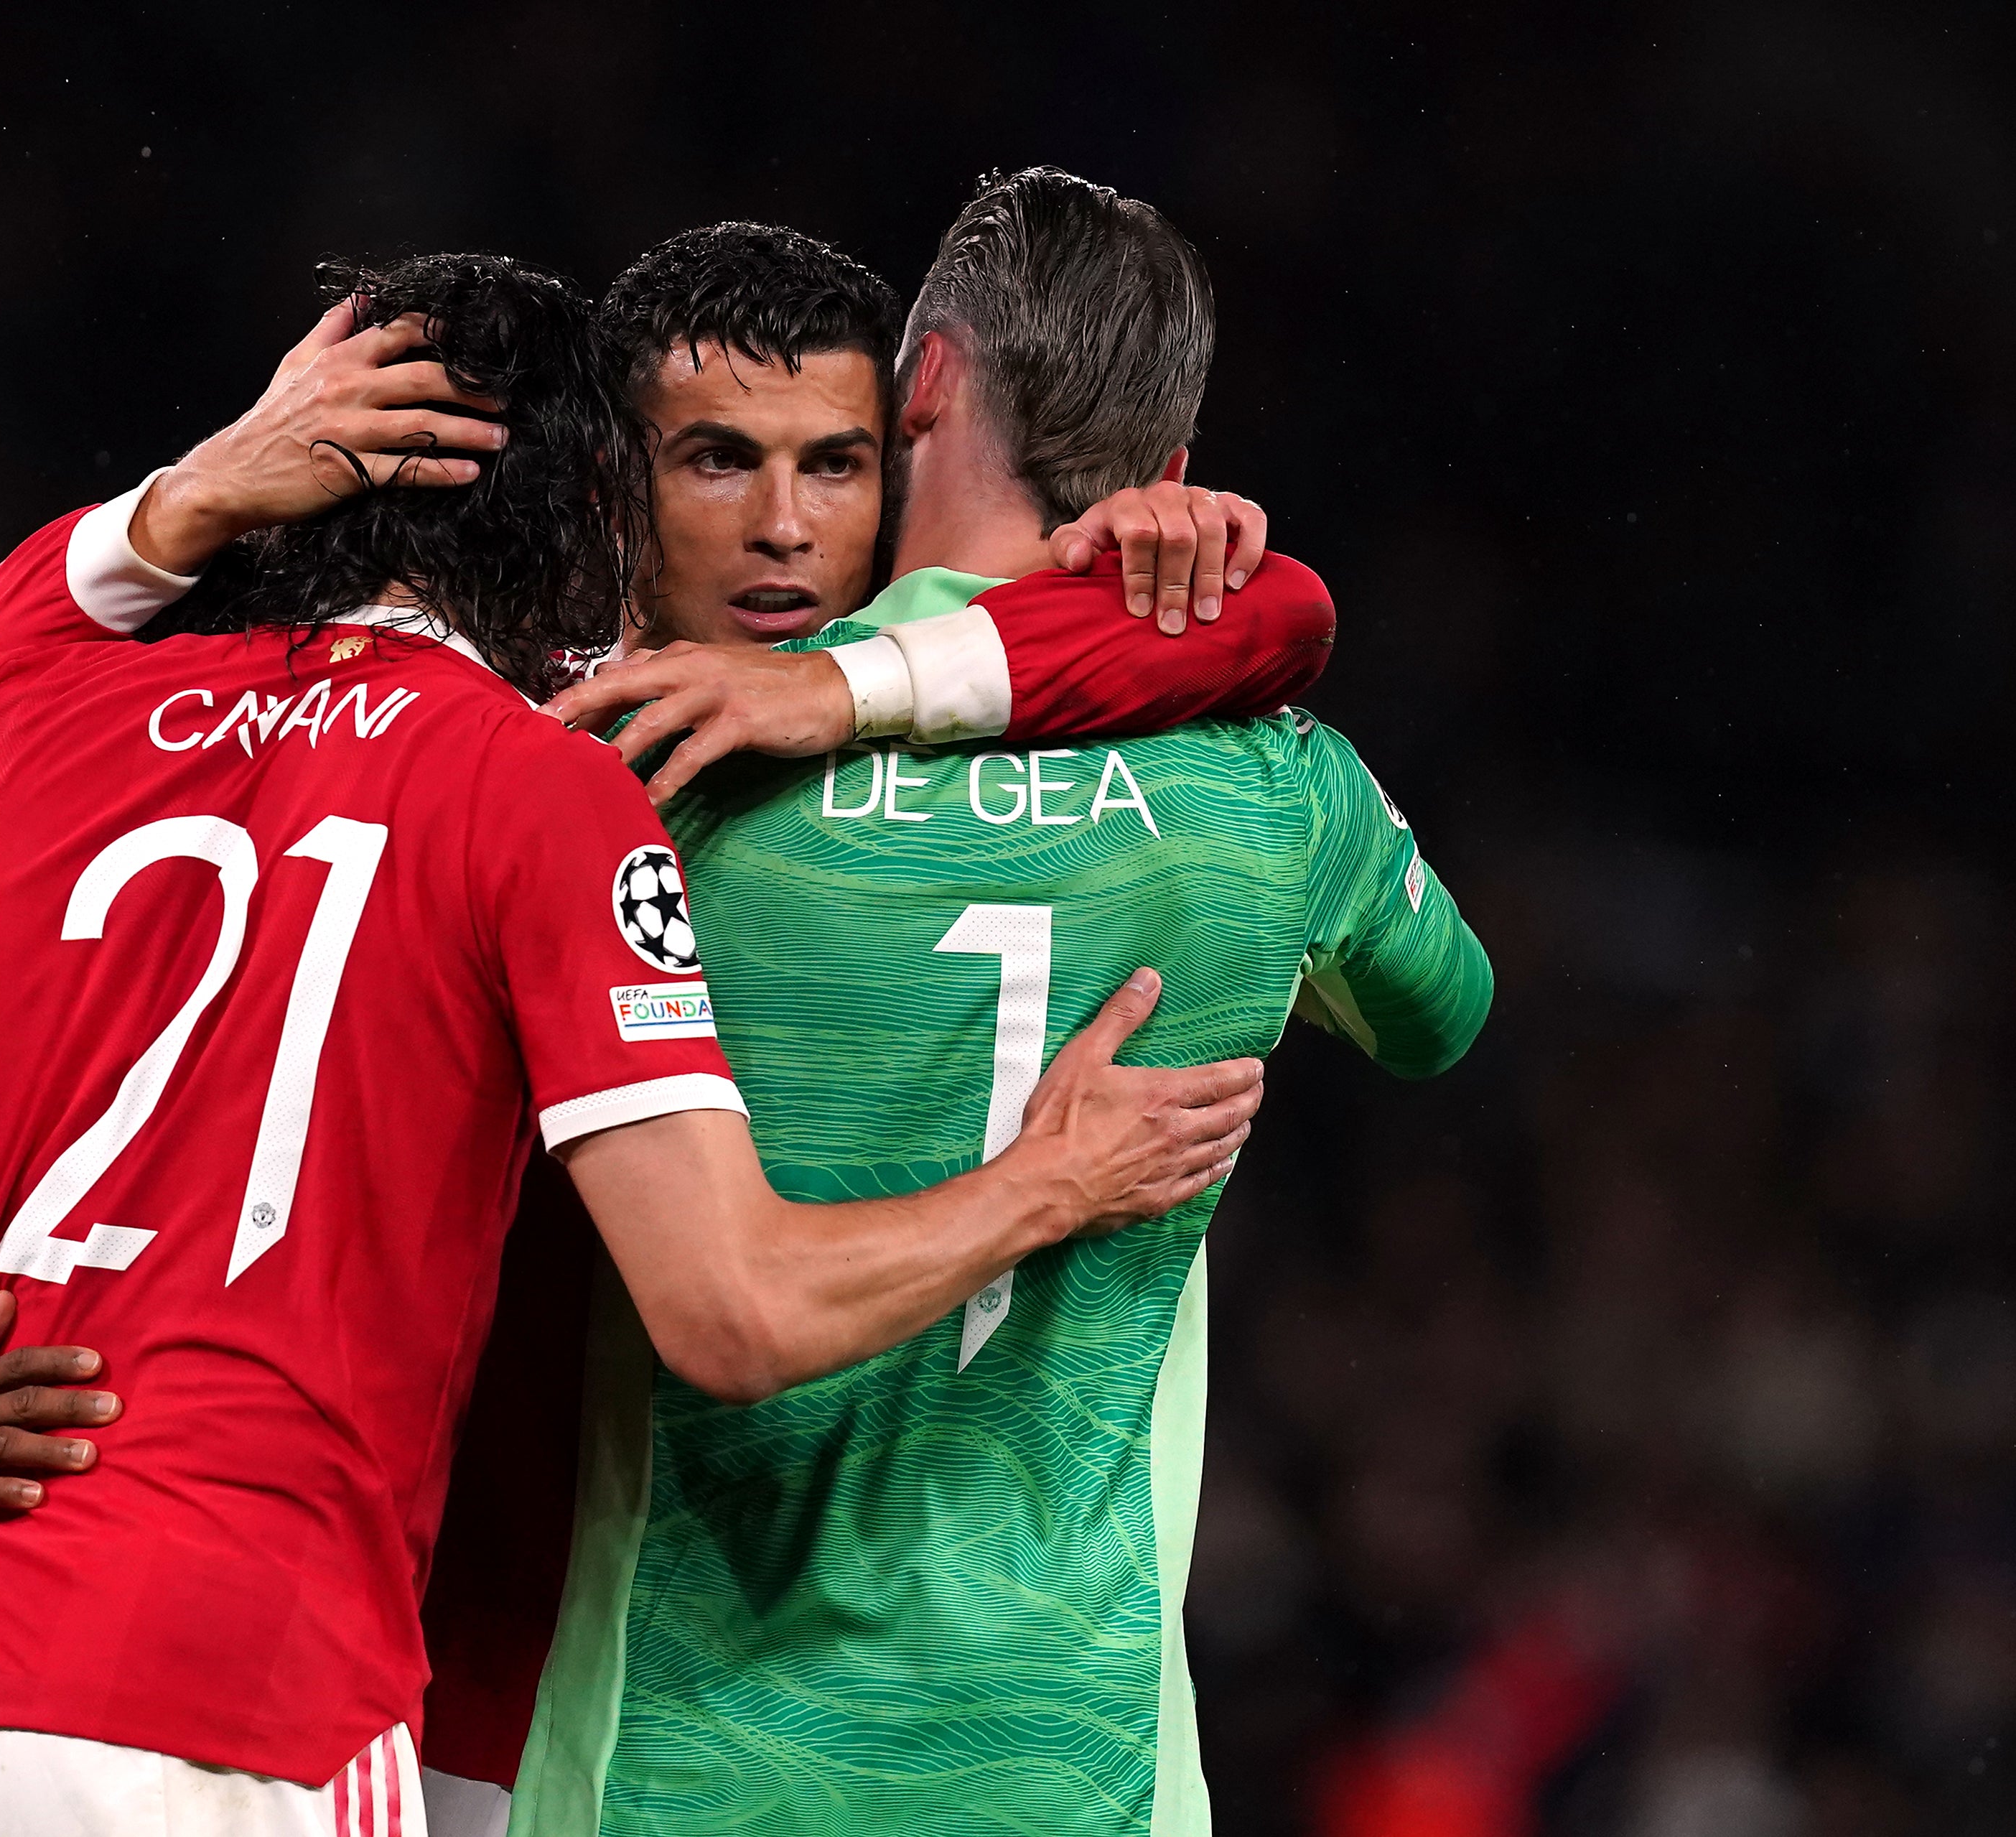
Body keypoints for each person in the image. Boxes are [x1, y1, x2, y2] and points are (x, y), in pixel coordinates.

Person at [0, 252, 1266, 1836]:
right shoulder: (551, 774)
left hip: (107, 1667)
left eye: (836, 464)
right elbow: (729, 1307)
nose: (781, 529)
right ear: (600, 499)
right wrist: (1056, 1181)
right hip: (314, 1675)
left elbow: (1280, 620)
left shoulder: (64, 722)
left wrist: (167, 517)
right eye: (713, 460)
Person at [511, 170, 1495, 1837]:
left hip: (684, 1766)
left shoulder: (654, 763)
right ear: (1173, 477)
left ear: (932, 384)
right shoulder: (1279, 784)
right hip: (1073, 1772)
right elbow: (1442, 1012)